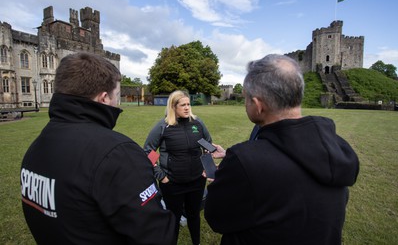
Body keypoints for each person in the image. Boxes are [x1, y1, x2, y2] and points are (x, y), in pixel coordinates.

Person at [20, 52, 175, 245]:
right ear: (103, 98)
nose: (118, 103)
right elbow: (157, 235)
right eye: (117, 95)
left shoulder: (37, 146)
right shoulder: (118, 153)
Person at [204, 54, 360, 245]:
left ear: (258, 105)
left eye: (247, 99)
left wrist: (224, 179)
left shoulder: (244, 161)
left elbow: (217, 218)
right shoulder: (335, 149)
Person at [144, 90, 213, 245]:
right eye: (183, 105)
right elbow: (148, 151)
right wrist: (161, 176)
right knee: (173, 219)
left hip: (196, 181)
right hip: (172, 183)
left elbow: (208, 145)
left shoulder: (197, 123)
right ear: (173, 107)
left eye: (188, 104)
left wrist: (206, 169)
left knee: (194, 215)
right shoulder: (163, 126)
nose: (187, 108)